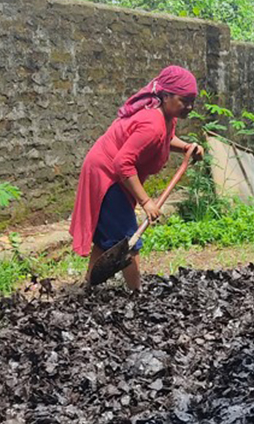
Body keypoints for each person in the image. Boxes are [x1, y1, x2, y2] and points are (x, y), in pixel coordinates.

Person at [70, 66, 204, 291]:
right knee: (128, 241)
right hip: (107, 176)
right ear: (165, 95)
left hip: (112, 171)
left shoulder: (165, 115)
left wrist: (186, 148)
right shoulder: (152, 123)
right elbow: (122, 163)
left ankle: (88, 287)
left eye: (192, 101)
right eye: (184, 101)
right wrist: (146, 202)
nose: (189, 107)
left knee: (108, 239)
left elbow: (164, 139)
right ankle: (136, 293)